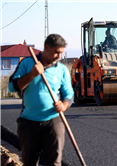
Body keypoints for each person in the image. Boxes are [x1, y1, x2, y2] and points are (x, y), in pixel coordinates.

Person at [8, 34, 74, 166]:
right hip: (29, 123)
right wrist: (32, 74)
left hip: (53, 122)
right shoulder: (27, 63)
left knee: (55, 163)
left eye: (61, 53)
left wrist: (64, 105)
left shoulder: (62, 70)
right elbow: (12, 86)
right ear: (46, 48)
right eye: (56, 52)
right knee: (29, 162)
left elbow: (69, 95)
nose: (59, 56)